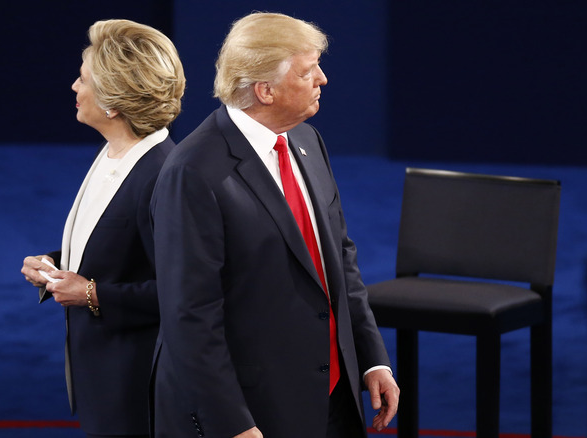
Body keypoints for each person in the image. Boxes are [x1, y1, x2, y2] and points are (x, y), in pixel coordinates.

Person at [149, 12, 399, 438]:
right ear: (265, 90)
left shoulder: (306, 140)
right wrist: (232, 422)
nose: (322, 79)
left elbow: (338, 257)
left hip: (333, 396)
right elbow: (190, 315)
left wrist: (371, 357)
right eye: (308, 71)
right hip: (256, 411)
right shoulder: (193, 172)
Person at [20, 19, 185, 438]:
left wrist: (90, 292)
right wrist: (55, 264)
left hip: (138, 388)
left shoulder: (164, 176)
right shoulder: (116, 154)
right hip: (104, 378)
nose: (75, 87)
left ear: (113, 102)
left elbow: (184, 292)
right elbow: (114, 245)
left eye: (83, 78)